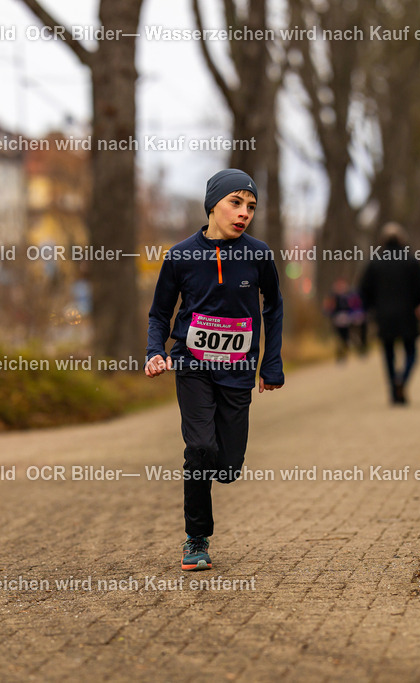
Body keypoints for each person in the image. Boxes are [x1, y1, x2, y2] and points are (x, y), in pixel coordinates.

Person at [145, 169, 284, 571]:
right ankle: (196, 538)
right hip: (192, 365)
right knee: (199, 449)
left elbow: (274, 308)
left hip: (238, 370)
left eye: (251, 207)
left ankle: (222, 471)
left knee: (227, 467)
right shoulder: (181, 255)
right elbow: (159, 313)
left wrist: (269, 363)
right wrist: (156, 351)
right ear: (213, 205)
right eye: (235, 203)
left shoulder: (258, 255)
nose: (244, 213)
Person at [359, 223, 420, 405]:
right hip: (407, 315)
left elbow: (363, 289)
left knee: (388, 354)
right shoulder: (412, 260)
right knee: (411, 351)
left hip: (384, 316)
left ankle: (393, 390)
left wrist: (373, 308)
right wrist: (416, 304)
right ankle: (402, 380)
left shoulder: (374, 262)